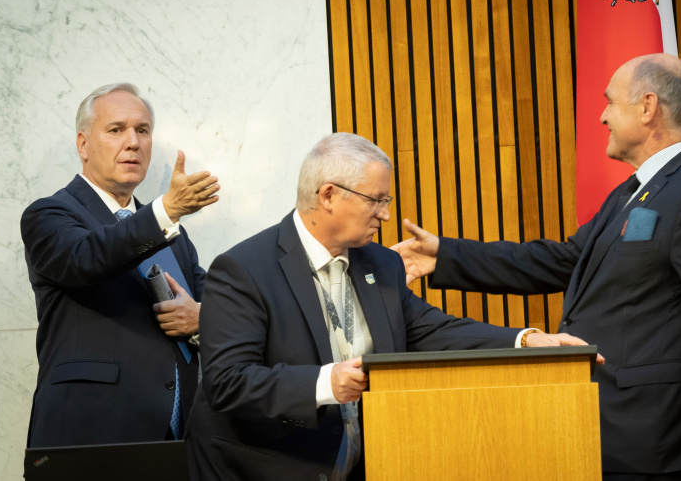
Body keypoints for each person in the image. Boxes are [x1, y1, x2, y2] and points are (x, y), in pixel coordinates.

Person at [392, 54, 681, 480]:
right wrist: (444, 255)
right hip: (607, 429)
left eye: (610, 102)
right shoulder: (634, 191)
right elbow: (559, 261)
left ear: (647, 108)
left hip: (660, 444)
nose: (602, 115)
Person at [185, 132, 594, 481]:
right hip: (264, 467)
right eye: (375, 200)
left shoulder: (379, 263)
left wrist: (526, 340)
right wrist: (325, 383)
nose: (384, 213)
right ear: (328, 195)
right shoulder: (244, 268)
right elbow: (228, 381)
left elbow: (430, 329)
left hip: (366, 463)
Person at [21, 83, 220, 448]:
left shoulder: (170, 231)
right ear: (83, 144)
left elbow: (217, 301)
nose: (133, 142)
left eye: (142, 131)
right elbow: (85, 259)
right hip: (92, 435)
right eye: (116, 130)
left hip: (180, 440)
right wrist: (165, 211)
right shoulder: (49, 214)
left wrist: (202, 317)